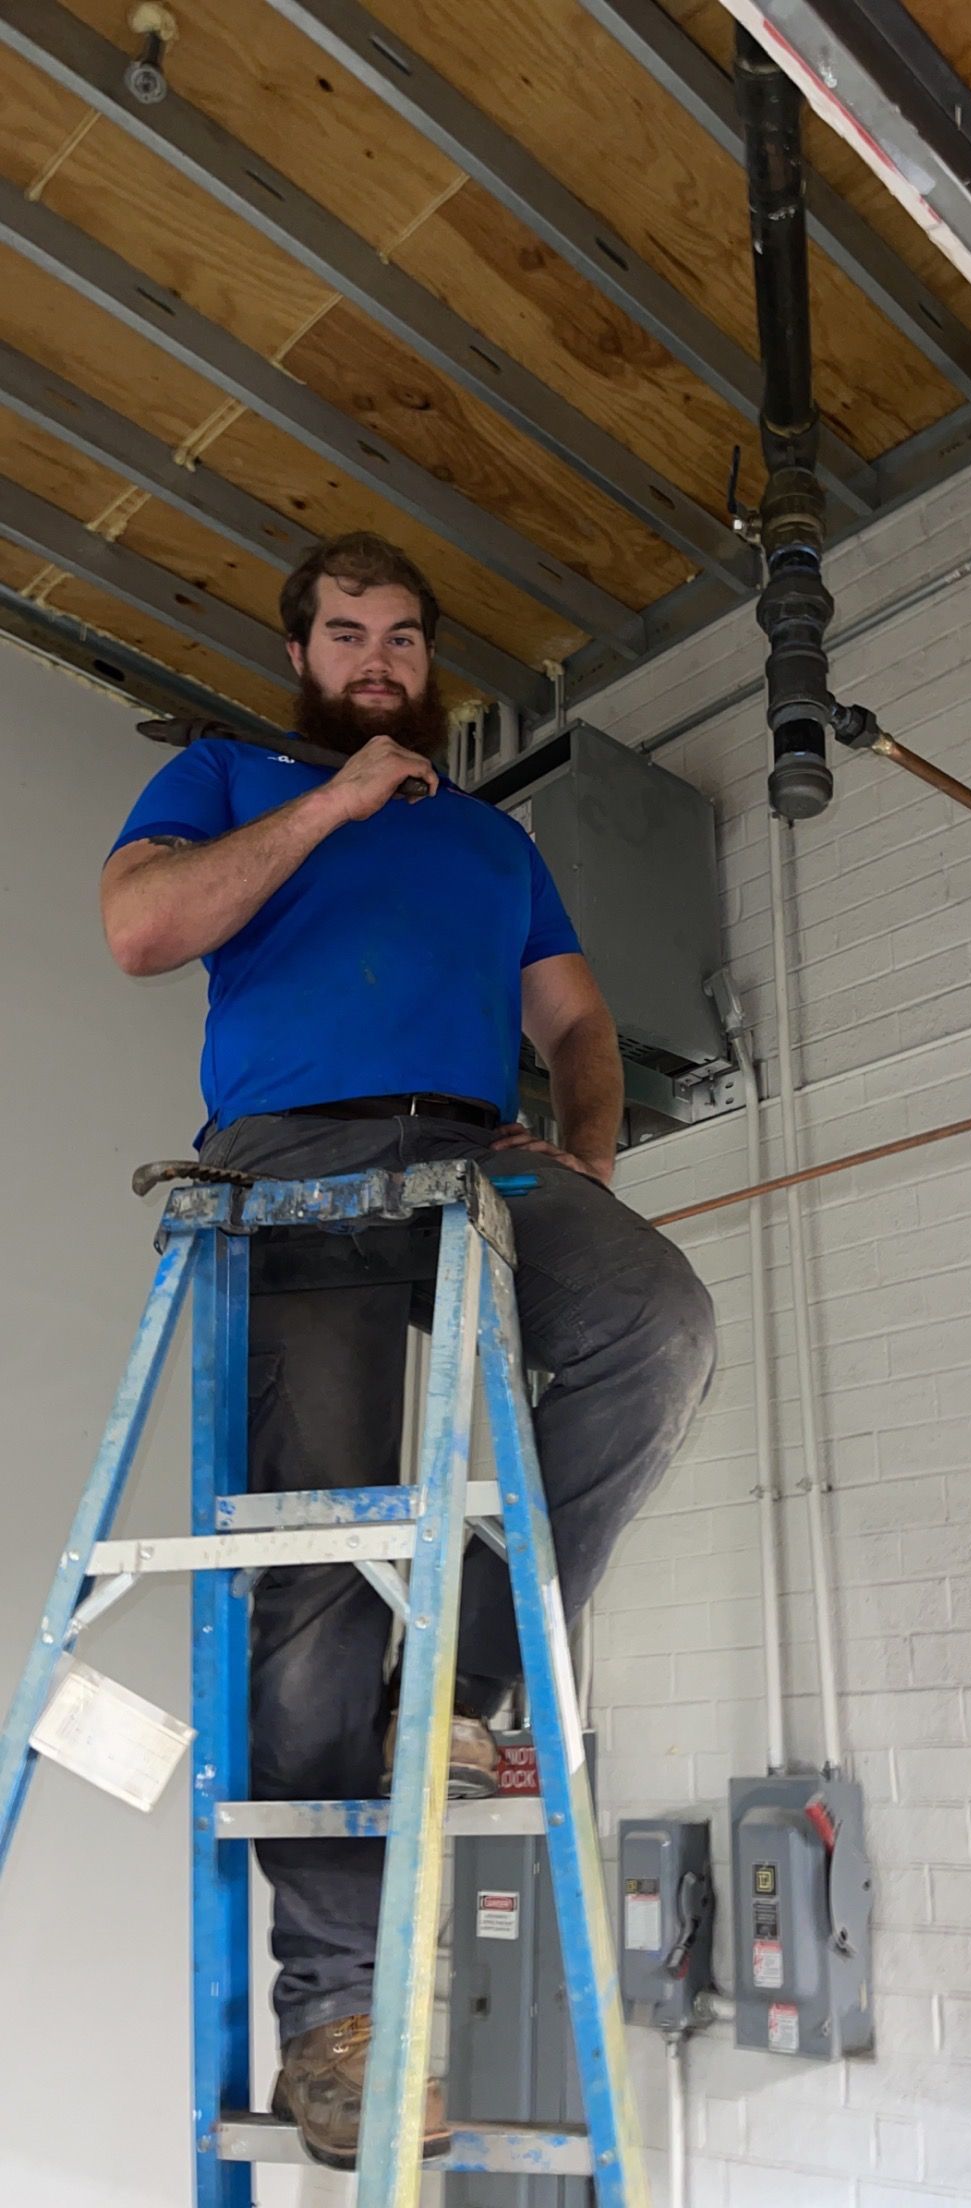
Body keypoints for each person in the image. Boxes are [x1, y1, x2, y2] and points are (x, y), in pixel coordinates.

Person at [100, 532, 716, 2171]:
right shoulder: (230, 778)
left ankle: (466, 1683)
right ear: (300, 653)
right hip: (287, 1158)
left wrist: (587, 1142)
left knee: (654, 1321)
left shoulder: (494, 845)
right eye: (345, 633)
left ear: (428, 658)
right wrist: (328, 806)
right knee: (315, 1564)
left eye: (400, 637)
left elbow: (576, 1018)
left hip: (475, 1151)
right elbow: (142, 934)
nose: (377, 657)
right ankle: (340, 2018)